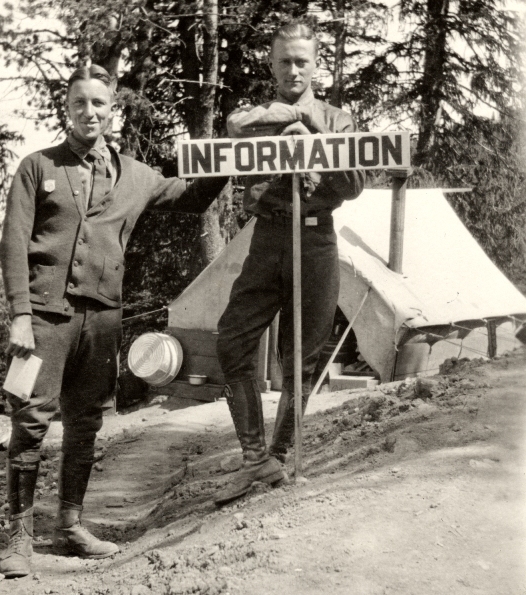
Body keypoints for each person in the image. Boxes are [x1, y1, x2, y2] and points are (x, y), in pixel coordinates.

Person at [0, 64, 227, 578]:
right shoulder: (38, 167)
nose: (89, 112)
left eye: (99, 103)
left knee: (86, 421)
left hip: (101, 322)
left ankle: (72, 525)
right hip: (44, 320)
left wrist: (226, 159)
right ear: (68, 109)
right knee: (31, 419)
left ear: (111, 110)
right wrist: (19, 314)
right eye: (79, 103)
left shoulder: (136, 174)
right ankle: (18, 535)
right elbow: (12, 242)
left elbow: (189, 198)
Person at [214, 22, 366, 505]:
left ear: (316, 65)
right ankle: (254, 458)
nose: (294, 69)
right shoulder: (258, 115)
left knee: (301, 358)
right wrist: (269, 119)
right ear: (272, 65)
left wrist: (315, 131)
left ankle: (277, 458)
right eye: (284, 61)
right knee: (233, 340)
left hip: (316, 239)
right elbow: (233, 130)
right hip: (267, 237)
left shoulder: (338, 119)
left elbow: (355, 183)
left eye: (302, 60)